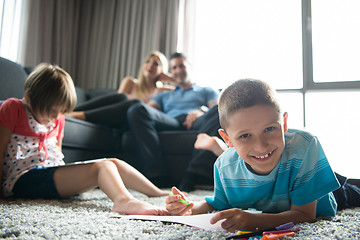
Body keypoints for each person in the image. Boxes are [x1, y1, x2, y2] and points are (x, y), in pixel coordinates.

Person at [165, 79, 360, 232]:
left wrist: (256, 221)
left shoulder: (306, 145)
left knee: (353, 192)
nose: (261, 146)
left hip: (324, 193)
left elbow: (305, 214)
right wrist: (189, 207)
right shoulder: (223, 166)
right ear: (227, 139)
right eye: (245, 135)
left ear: (284, 124)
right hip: (283, 193)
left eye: (269, 129)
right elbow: (218, 204)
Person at [0, 63, 169, 216]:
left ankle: (156, 192)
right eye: (51, 110)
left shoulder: (58, 118)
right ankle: (124, 201)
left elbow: (57, 154)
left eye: (60, 111)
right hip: (23, 179)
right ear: (29, 97)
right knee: (102, 167)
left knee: (113, 162)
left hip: (51, 174)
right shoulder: (14, 108)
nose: (55, 116)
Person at [126, 52, 221, 190]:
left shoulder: (206, 90)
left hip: (198, 120)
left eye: (181, 66)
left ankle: (193, 174)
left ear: (189, 66)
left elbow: (218, 109)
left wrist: (201, 111)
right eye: (174, 68)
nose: (178, 70)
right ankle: (157, 175)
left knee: (219, 110)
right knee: (137, 109)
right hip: (172, 121)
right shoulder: (164, 93)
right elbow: (146, 109)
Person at [67, 50, 174, 129]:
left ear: (163, 70)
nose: (150, 65)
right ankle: (71, 111)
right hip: (113, 117)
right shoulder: (131, 82)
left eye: (156, 64)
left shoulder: (163, 91)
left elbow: (185, 87)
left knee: (136, 104)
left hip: (133, 124)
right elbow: (115, 105)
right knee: (122, 97)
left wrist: (171, 79)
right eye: (148, 61)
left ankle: (77, 116)